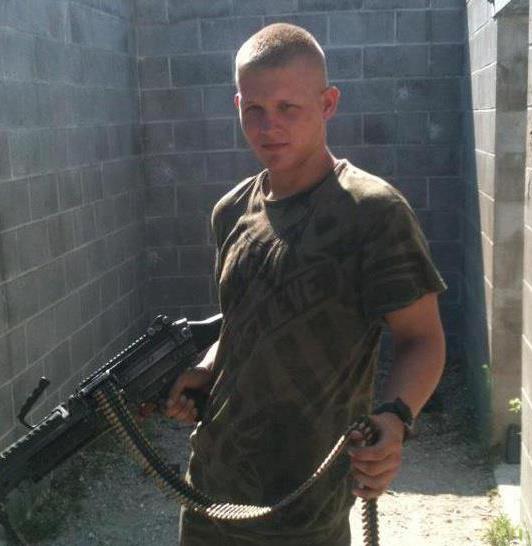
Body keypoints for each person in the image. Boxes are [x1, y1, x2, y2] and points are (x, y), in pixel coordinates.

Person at [165, 23, 447, 546]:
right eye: (253, 109)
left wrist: (396, 417)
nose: (268, 126)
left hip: (306, 502)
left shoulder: (373, 212)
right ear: (237, 106)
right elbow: (242, 320)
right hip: (211, 489)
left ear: (328, 103)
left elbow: (422, 338)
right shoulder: (230, 212)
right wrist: (205, 370)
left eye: (287, 108)